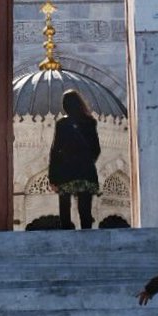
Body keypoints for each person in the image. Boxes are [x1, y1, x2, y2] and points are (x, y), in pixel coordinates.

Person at [48, 89, 101, 229]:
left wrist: (53, 177)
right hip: (86, 172)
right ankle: (88, 240)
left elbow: (55, 151)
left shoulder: (62, 124)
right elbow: (96, 148)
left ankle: (66, 238)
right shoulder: (90, 122)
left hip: (66, 172)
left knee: (64, 209)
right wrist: (86, 162)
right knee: (85, 210)